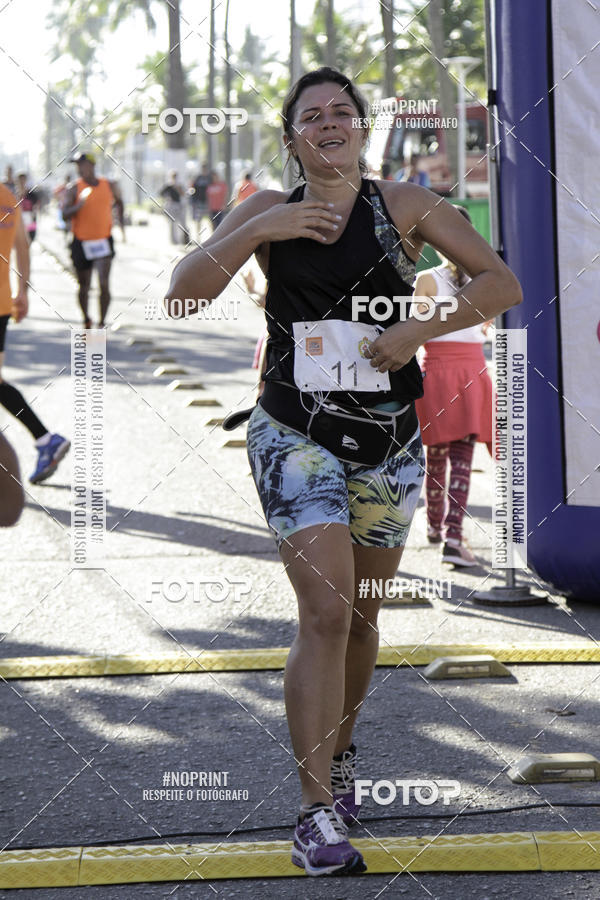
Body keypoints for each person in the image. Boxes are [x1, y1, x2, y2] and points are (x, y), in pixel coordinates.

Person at [165, 66, 522, 877]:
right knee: (325, 611)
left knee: (361, 618)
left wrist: (415, 333)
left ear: (362, 127)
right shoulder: (265, 209)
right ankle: (313, 810)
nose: (328, 124)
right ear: (292, 137)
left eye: (342, 112)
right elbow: (183, 295)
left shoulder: (407, 208)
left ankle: (342, 754)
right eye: (310, 117)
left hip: (389, 440)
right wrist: (260, 231)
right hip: (294, 430)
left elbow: (502, 283)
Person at [414, 206, 493, 566]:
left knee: (437, 453)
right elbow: (488, 327)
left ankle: (435, 525)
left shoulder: (427, 280)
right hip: (473, 370)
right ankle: (453, 535)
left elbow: (416, 330)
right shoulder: (486, 279)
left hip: (438, 370)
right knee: (463, 454)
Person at [0, 182, 70, 483]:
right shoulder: (7, 196)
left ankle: (45, 440)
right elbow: (22, 245)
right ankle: (45, 440)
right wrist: (22, 292)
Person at [61, 152, 121, 328]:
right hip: (81, 242)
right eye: (77, 165)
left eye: (83, 164)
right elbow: (64, 214)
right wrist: (77, 207)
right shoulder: (74, 188)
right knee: (84, 285)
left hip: (103, 240)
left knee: (103, 283)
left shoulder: (108, 185)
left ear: (92, 165)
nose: (80, 168)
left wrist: (120, 221)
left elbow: (120, 201)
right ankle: (86, 318)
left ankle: (102, 322)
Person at [160, 170, 188, 245]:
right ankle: (174, 241)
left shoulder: (180, 185)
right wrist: (167, 197)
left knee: (182, 223)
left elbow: (184, 194)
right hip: (171, 205)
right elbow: (161, 193)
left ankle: (183, 239)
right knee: (172, 224)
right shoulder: (168, 186)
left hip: (179, 205)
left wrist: (178, 189)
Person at [15, 173, 39, 243]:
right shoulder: (14, 195)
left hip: (30, 222)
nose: (22, 182)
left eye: (23, 180)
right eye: (20, 180)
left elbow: (36, 207)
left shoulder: (32, 194)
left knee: (30, 241)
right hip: (18, 223)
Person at [190, 163, 210, 236]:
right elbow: (192, 189)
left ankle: (211, 235)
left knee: (210, 220)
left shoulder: (209, 178)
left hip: (208, 202)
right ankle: (198, 236)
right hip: (199, 202)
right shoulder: (197, 178)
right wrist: (193, 201)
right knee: (198, 220)